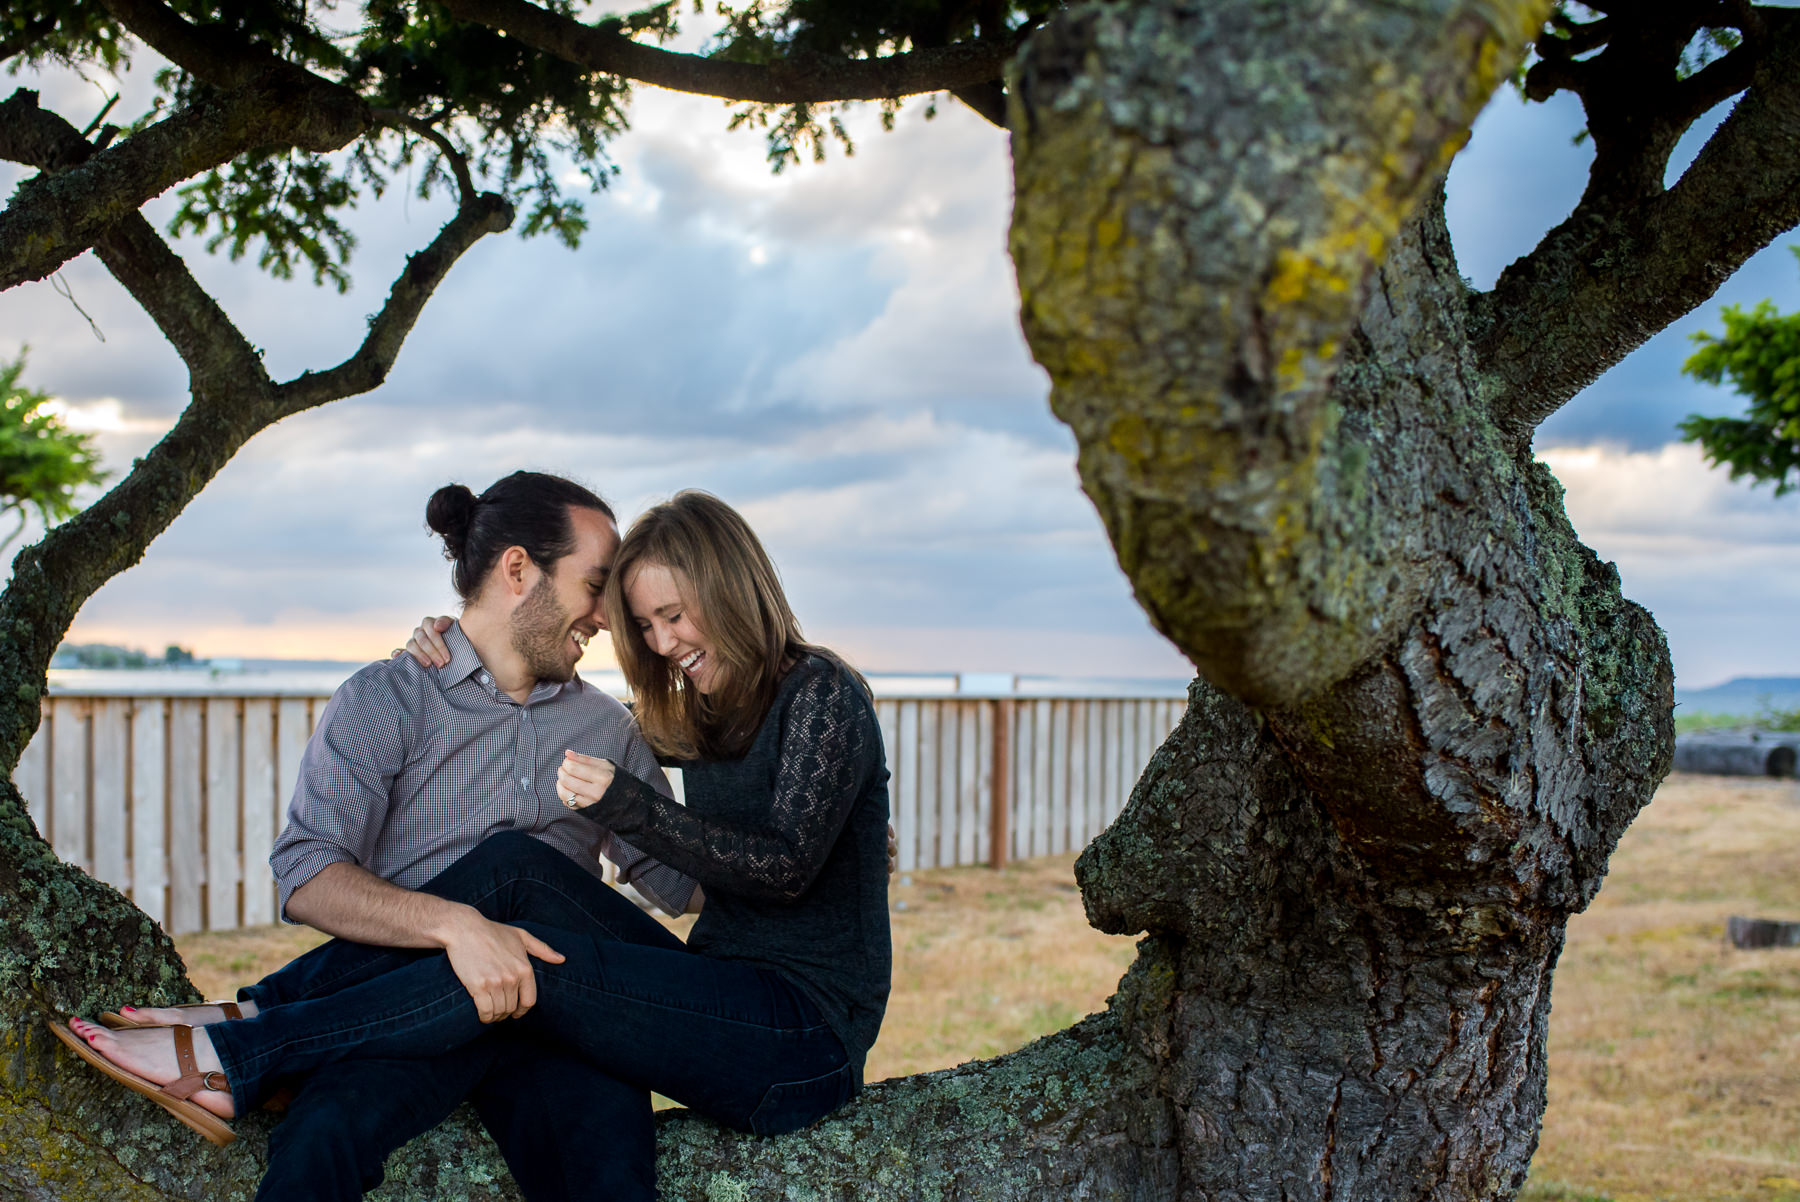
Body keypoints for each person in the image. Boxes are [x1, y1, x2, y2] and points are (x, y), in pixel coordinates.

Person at [56, 489, 893, 1202]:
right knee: (503, 883)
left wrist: (838, 843)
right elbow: (306, 870)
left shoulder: (675, 714)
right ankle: (252, 1028)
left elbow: (740, 863)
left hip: (693, 1012)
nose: (621, 627)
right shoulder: (409, 694)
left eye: (658, 615)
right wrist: (457, 643)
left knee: (531, 956)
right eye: (614, 602)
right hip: (493, 987)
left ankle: (243, 1039)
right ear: (518, 571)